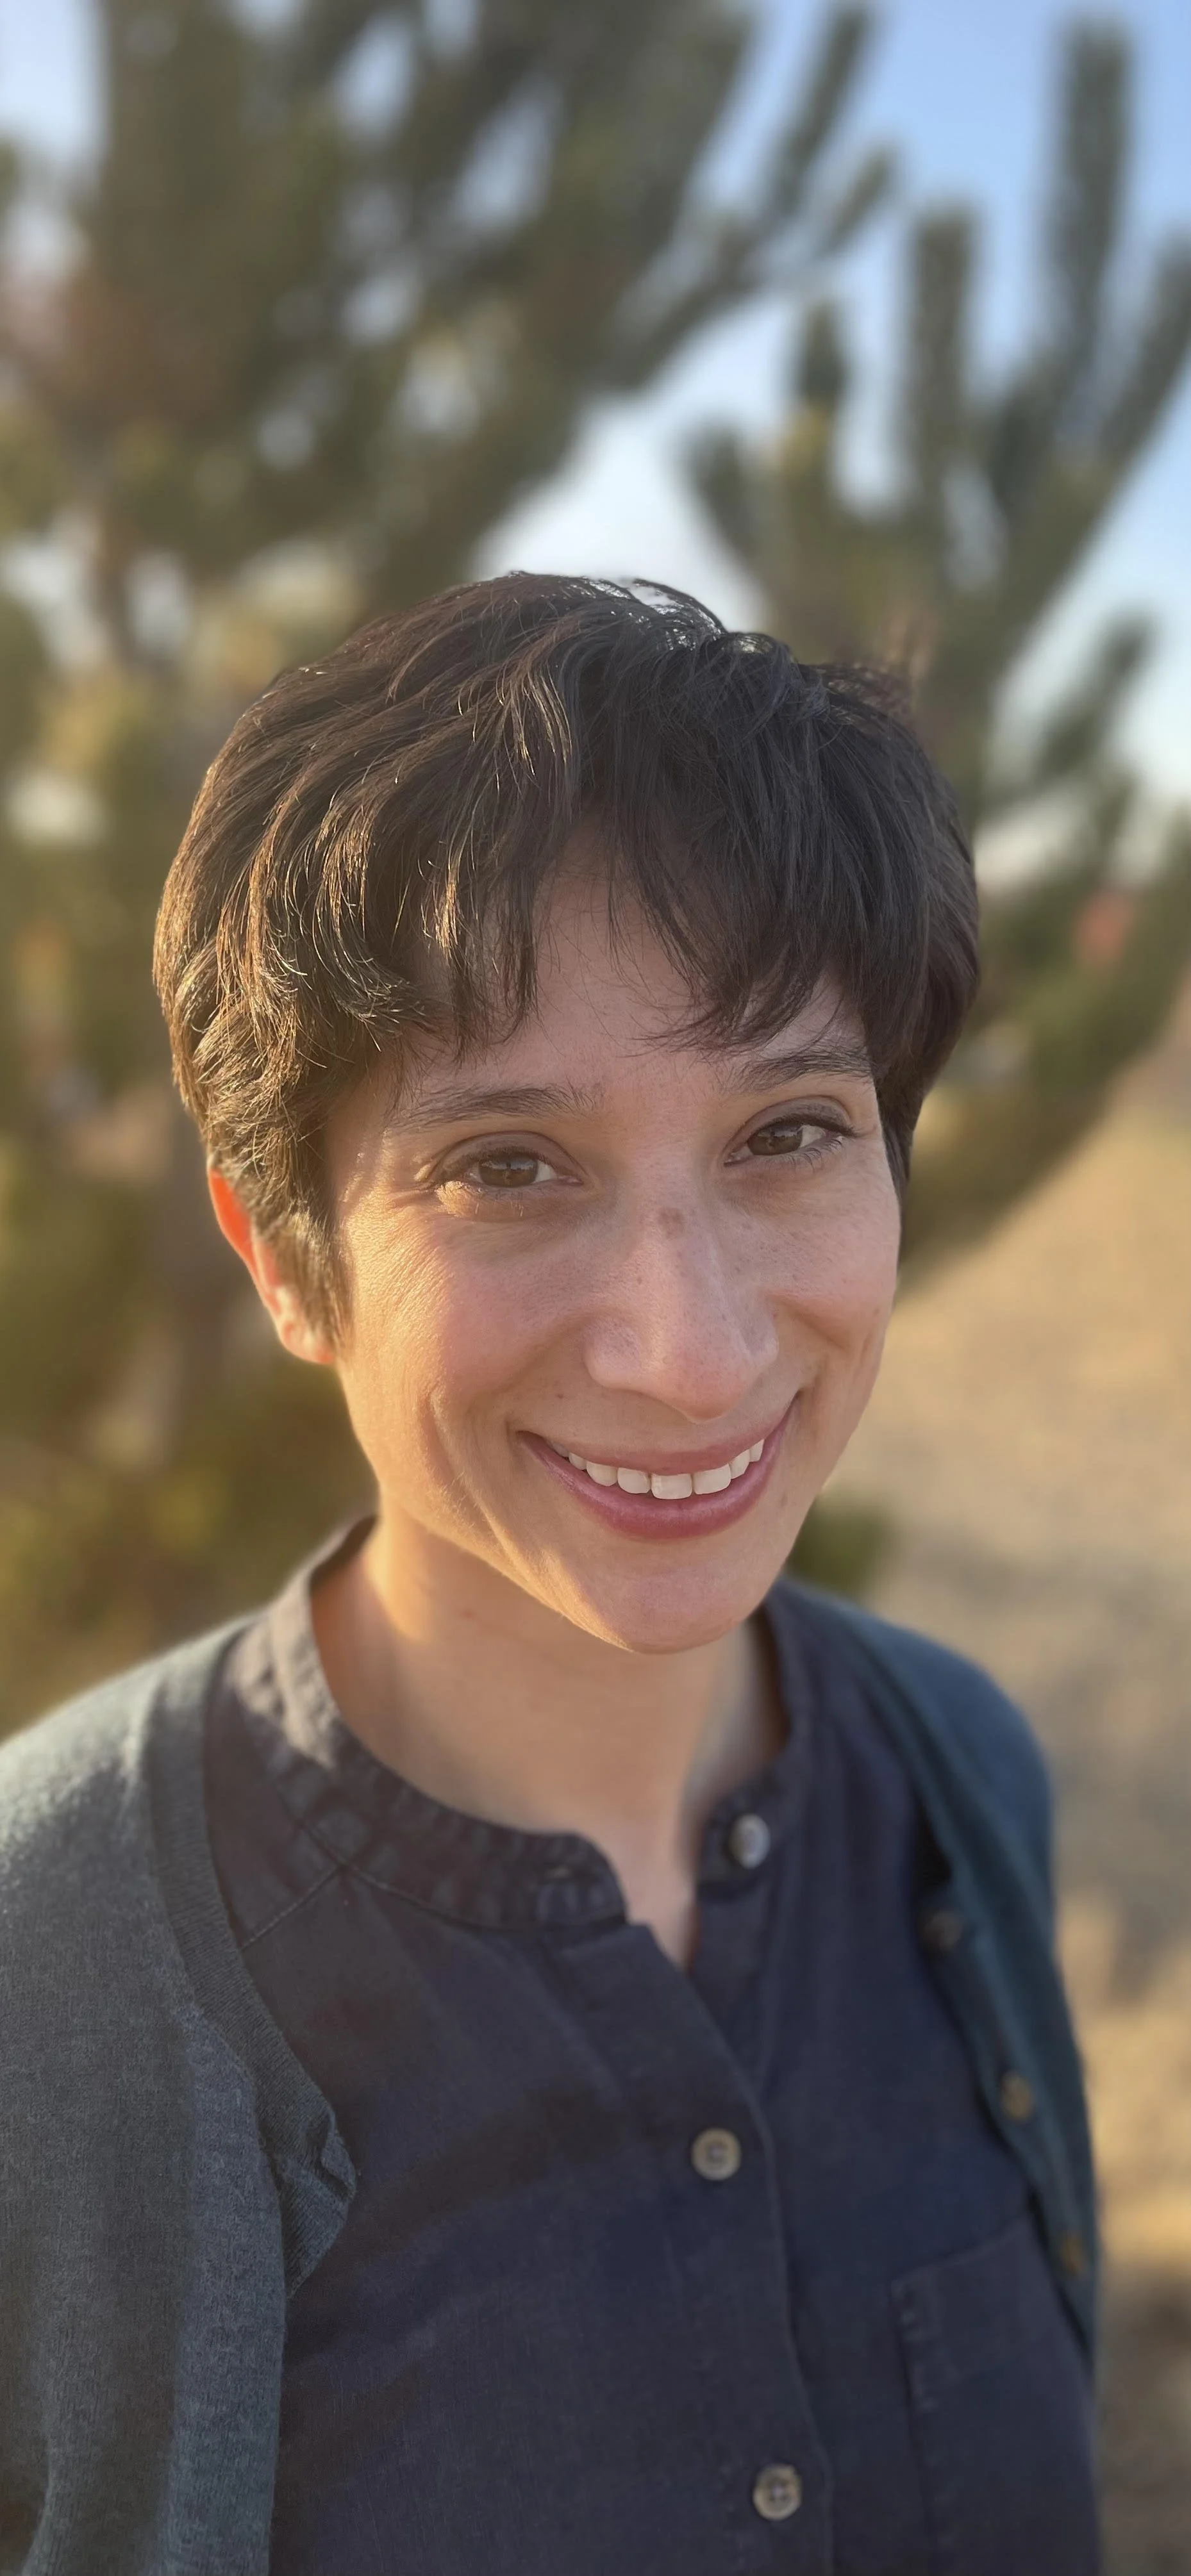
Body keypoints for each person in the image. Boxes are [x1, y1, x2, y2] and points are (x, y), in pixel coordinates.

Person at [0, 576, 1099, 2576]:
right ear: (285, 1254)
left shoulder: (964, 1784)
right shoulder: (38, 1973)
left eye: (789, 1129)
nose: (686, 1348)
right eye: (510, 1163)